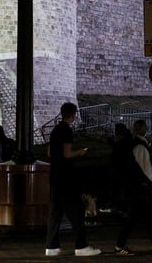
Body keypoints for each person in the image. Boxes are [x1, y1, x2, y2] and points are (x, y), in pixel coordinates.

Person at [44, 102, 101, 257]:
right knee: (76, 211)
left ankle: (51, 246)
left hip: (54, 176)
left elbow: (49, 152)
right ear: (73, 115)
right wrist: (80, 152)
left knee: (55, 212)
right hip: (65, 176)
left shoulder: (55, 130)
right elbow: (68, 154)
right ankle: (81, 245)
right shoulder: (66, 130)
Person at [112, 119, 152, 256]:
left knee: (139, 218)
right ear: (143, 129)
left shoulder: (135, 144)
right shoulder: (140, 146)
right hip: (138, 187)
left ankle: (123, 246)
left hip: (134, 186)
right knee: (143, 218)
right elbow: (147, 169)